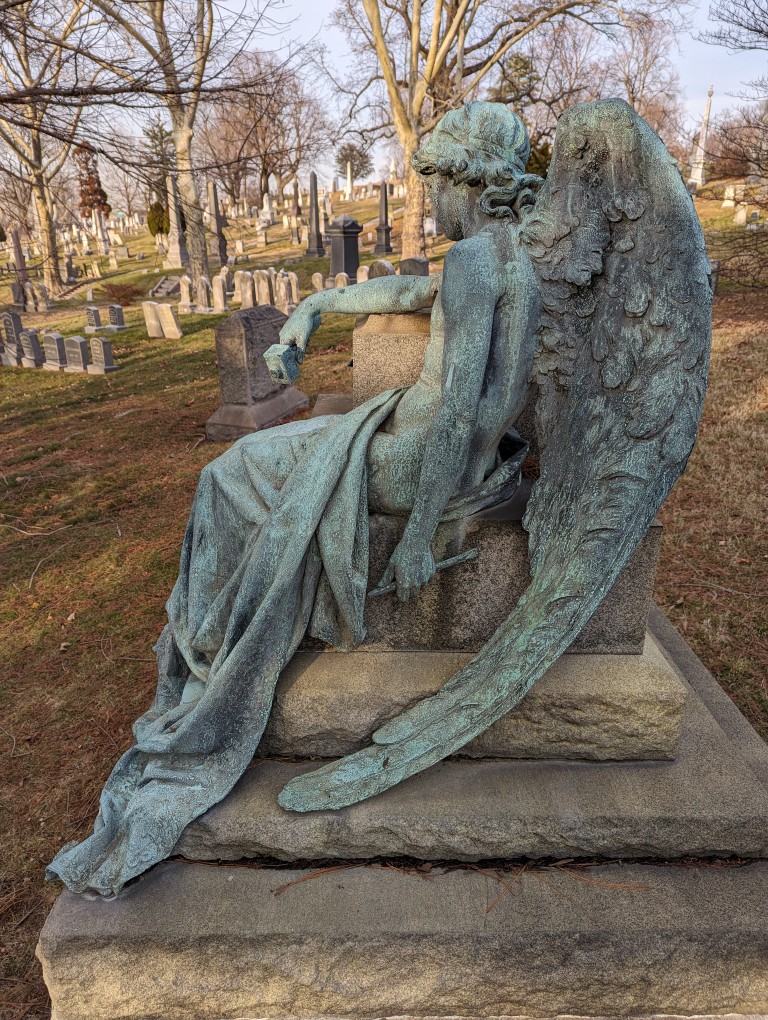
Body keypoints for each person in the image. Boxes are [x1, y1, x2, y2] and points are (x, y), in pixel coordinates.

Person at [48, 102, 542, 895]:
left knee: (228, 475)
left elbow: (457, 409)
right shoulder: (502, 255)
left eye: (438, 184)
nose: (432, 202)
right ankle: (205, 633)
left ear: (470, 182)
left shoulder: (480, 263)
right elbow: (419, 301)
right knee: (253, 461)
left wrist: (418, 534)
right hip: (421, 447)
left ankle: (207, 644)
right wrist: (312, 307)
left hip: (413, 463)